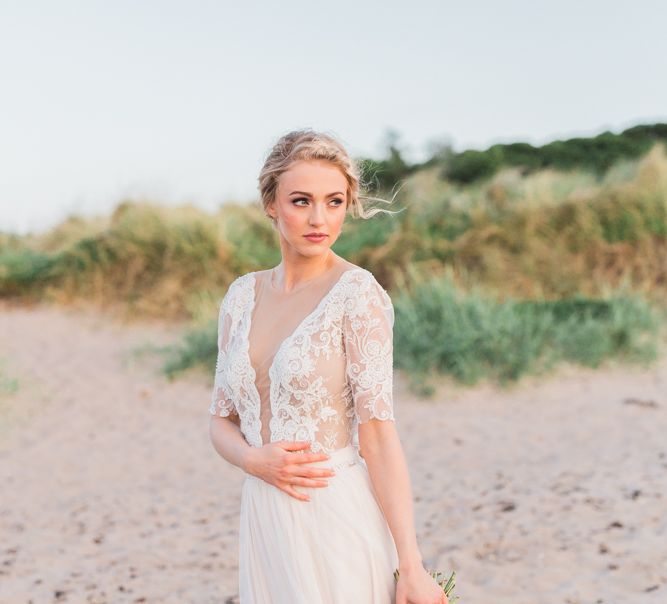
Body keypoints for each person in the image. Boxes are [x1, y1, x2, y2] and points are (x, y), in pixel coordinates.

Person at [208, 129, 447, 604]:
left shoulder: (358, 296)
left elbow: (378, 435)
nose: (319, 219)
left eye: (334, 201)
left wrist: (411, 565)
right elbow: (220, 420)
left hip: (335, 514)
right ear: (271, 204)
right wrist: (252, 460)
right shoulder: (240, 296)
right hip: (264, 518)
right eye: (301, 201)